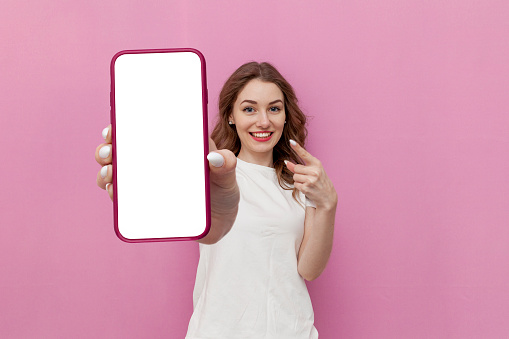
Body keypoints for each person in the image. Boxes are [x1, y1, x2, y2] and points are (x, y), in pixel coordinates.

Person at [95, 61, 338, 338]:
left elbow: (308, 269)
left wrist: (328, 203)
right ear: (231, 116)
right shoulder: (212, 174)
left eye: (274, 108)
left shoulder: (300, 184)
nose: (263, 121)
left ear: (285, 116)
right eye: (249, 109)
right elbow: (168, 197)